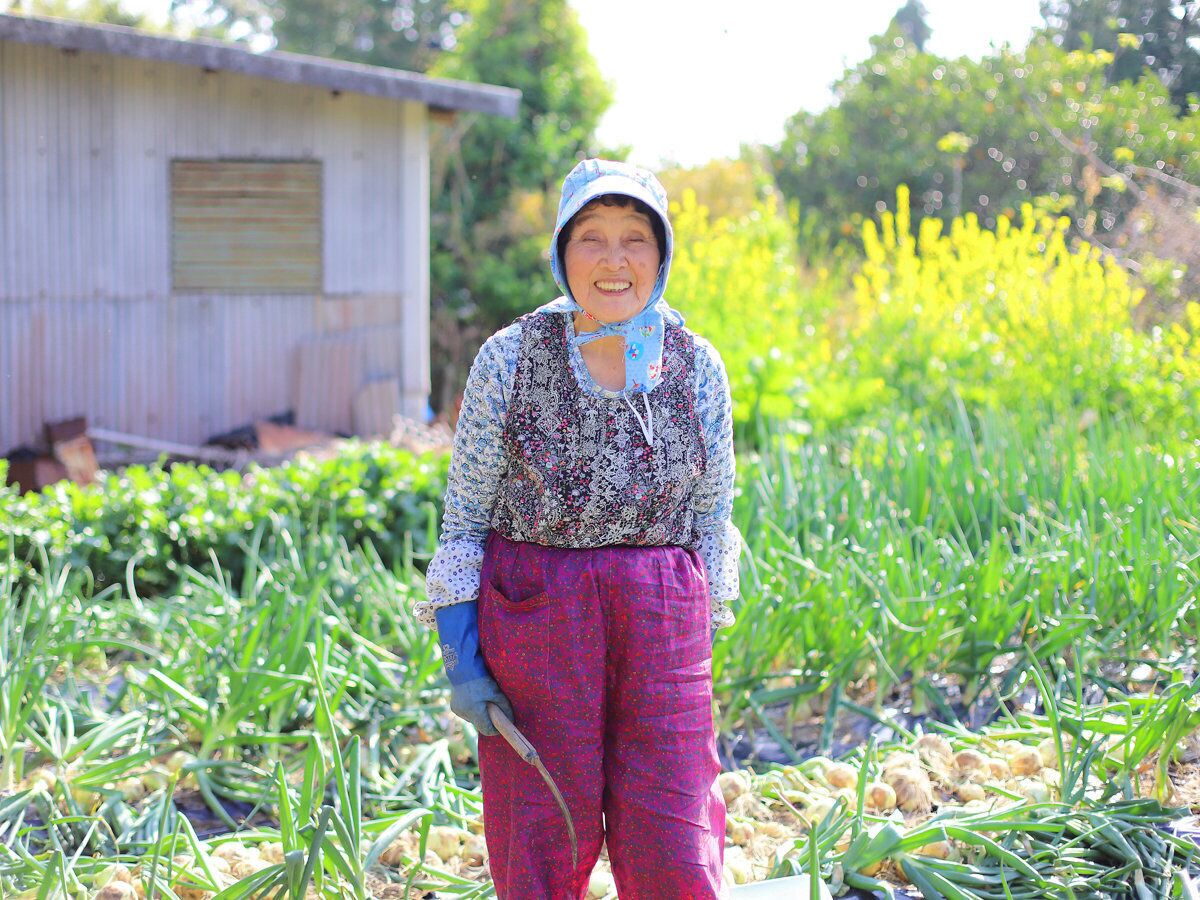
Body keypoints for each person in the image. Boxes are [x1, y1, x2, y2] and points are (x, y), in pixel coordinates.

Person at [414, 158, 742, 899]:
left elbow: (714, 514)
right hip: (538, 613)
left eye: (635, 238)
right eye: (591, 237)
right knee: (540, 826)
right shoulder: (511, 359)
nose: (614, 260)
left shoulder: (698, 366)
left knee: (672, 831)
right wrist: (461, 652)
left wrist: (699, 633)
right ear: (563, 252)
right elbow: (465, 518)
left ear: (661, 255)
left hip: (662, 617)